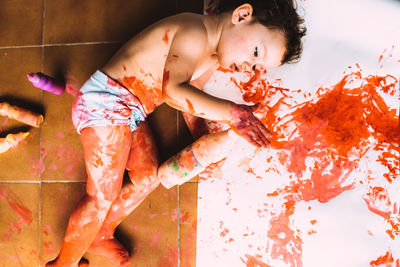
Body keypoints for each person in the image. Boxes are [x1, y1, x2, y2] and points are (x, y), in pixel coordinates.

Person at [46, 0, 306, 266]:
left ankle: (101, 232)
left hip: (131, 112)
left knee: (147, 178)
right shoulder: (194, 31)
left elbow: (191, 98)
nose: (248, 67)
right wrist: (232, 113)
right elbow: (174, 92)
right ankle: (62, 263)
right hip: (106, 104)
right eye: (255, 52)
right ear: (241, 15)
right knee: (100, 197)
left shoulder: (214, 56)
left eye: (256, 66)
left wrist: (204, 144)